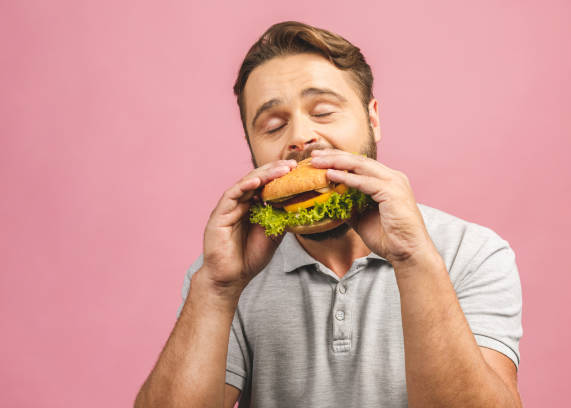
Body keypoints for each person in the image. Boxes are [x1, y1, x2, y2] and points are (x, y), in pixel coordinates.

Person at [134, 21, 523, 408]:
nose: (300, 137)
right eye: (273, 125)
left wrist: (413, 260)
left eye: (323, 112)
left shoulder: (472, 253)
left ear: (373, 119)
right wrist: (216, 290)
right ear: (251, 148)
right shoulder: (226, 272)